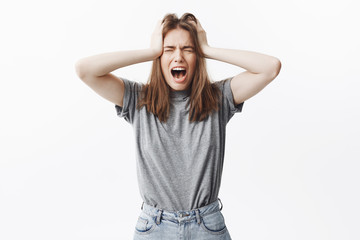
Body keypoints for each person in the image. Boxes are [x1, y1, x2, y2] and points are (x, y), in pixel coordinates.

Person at [75, 13, 281, 240]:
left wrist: (207, 48)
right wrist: (151, 51)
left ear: (198, 57)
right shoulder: (138, 99)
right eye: (169, 49)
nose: (178, 57)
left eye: (188, 49)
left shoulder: (218, 98)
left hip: (207, 227)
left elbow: (270, 67)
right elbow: (85, 70)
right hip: (154, 228)